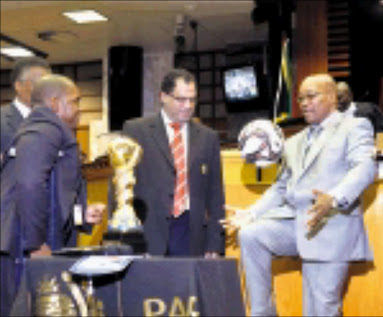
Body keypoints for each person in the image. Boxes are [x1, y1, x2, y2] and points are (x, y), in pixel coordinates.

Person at [222, 74, 375, 316]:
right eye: (301, 98)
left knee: (320, 308)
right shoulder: (293, 142)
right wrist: (251, 213)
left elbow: (365, 168)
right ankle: (262, 312)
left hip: (330, 225)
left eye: (311, 96)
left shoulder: (355, 126)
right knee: (251, 234)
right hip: (294, 224)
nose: (304, 103)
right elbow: (280, 188)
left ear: (333, 97)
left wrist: (333, 198)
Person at [0, 74, 105, 316]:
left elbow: (52, 192)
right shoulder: (43, 129)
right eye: (75, 101)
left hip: (32, 240)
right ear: (56, 103)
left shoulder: (45, 128)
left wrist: (81, 214)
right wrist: (35, 243)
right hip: (27, 246)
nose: (79, 109)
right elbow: (28, 184)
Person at [121, 68, 225, 257]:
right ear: (163, 97)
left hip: (190, 231)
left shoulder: (208, 138)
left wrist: (215, 243)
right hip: (148, 230)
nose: (188, 106)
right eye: (181, 99)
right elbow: (121, 184)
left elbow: (216, 194)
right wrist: (122, 235)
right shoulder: (136, 130)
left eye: (192, 99)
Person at [0, 57, 51, 163]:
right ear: (18, 85)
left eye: (48, 85)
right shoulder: (2, 119)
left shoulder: (55, 120)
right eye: (38, 84)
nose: (44, 90)